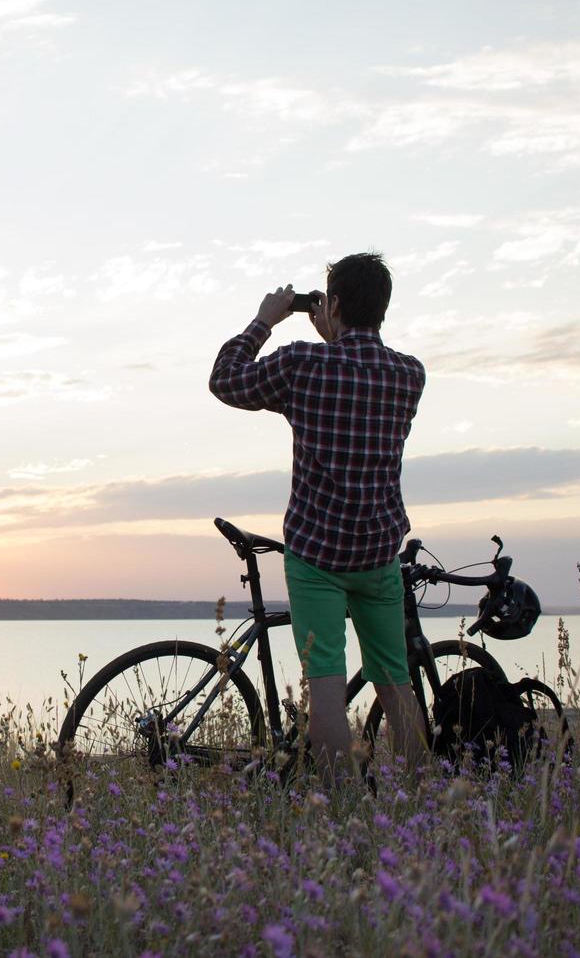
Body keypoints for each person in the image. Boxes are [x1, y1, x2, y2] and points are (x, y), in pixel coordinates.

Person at [208, 251, 428, 786]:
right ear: (383, 307)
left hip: (317, 555)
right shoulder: (409, 374)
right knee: (396, 680)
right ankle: (426, 803)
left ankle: (340, 805)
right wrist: (337, 333)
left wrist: (265, 319)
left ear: (332, 303)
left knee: (324, 681)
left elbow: (225, 380)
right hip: (377, 551)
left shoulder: (302, 364)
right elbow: (356, 374)